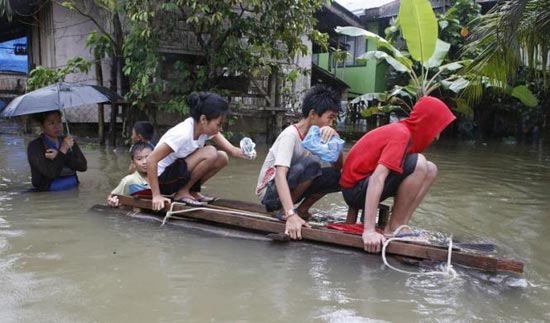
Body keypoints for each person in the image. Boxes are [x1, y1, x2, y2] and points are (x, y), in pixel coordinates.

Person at [340, 96, 456, 253]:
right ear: (428, 123)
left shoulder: (406, 134)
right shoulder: (401, 134)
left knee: (431, 169)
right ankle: (393, 227)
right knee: (420, 163)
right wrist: (369, 230)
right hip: (355, 190)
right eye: (437, 128)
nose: (436, 136)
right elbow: (377, 178)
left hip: (364, 186)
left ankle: (400, 225)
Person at [255, 84, 343, 240]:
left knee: (337, 176)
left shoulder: (318, 137)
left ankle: (302, 210)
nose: (331, 124)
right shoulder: (290, 135)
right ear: (313, 114)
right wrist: (290, 215)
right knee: (310, 164)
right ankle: (286, 211)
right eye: (330, 118)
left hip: (295, 185)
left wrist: (335, 141)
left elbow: (338, 166)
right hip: (270, 193)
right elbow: (280, 175)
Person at [147, 91, 253, 211]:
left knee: (222, 157)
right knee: (210, 152)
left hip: (177, 174)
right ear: (203, 119)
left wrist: (242, 152)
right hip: (162, 181)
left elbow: (231, 150)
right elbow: (151, 159)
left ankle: (191, 190)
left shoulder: (203, 129)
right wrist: (156, 195)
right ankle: (182, 192)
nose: (220, 129)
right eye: (218, 124)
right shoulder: (182, 133)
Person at [27, 110, 88, 191]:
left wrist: (62, 154)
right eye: (51, 123)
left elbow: (83, 167)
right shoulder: (35, 146)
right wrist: (62, 150)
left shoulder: (68, 141)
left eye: (59, 122)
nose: (57, 126)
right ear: (42, 125)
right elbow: (51, 173)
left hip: (73, 190)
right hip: (48, 195)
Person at [108, 142, 153, 207]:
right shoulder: (129, 181)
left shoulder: (161, 178)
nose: (144, 162)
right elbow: (112, 196)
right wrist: (112, 201)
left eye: (148, 157)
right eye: (139, 159)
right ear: (133, 163)